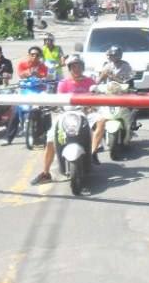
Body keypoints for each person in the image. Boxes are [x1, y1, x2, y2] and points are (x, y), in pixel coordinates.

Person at [30, 55, 98, 185]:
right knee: (51, 139)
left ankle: (92, 154)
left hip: (83, 114)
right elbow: (58, 100)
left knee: (92, 130)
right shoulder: (63, 83)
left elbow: (96, 97)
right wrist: (51, 105)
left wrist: (93, 106)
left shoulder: (90, 82)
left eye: (78, 66)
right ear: (69, 68)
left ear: (82, 67)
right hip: (64, 114)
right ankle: (45, 173)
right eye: (73, 66)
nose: (76, 69)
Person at [3, 46, 49, 144]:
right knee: (15, 112)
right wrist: (29, 73)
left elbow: (44, 76)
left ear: (40, 56)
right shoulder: (22, 64)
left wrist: (39, 75)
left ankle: (42, 135)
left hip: (38, 92)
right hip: (25, 91)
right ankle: (8, 139)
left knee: (42, 112)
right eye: (32, 55)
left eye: (37, 55)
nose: (34, 57)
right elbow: (21, 74)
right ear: (28, 55)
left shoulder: (43, 67)